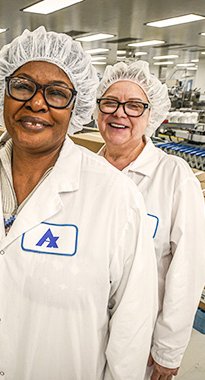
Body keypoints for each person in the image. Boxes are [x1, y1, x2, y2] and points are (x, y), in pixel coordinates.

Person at [0, 26, 158, 380]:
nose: (36, 102)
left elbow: (132, 320)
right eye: (22, 86)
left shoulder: (114, 194)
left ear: (76, 107)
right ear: (3, 91)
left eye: (57, 93)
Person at [95, 60, 205, 380]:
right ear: (97, 109)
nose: (119, 113)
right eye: (111, 102)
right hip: (81, 331)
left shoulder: (174, 177)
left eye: (134, 106)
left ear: (151, 116)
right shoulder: (80, 172)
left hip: (140, 342)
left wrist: (166, 350)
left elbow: (187, 271)